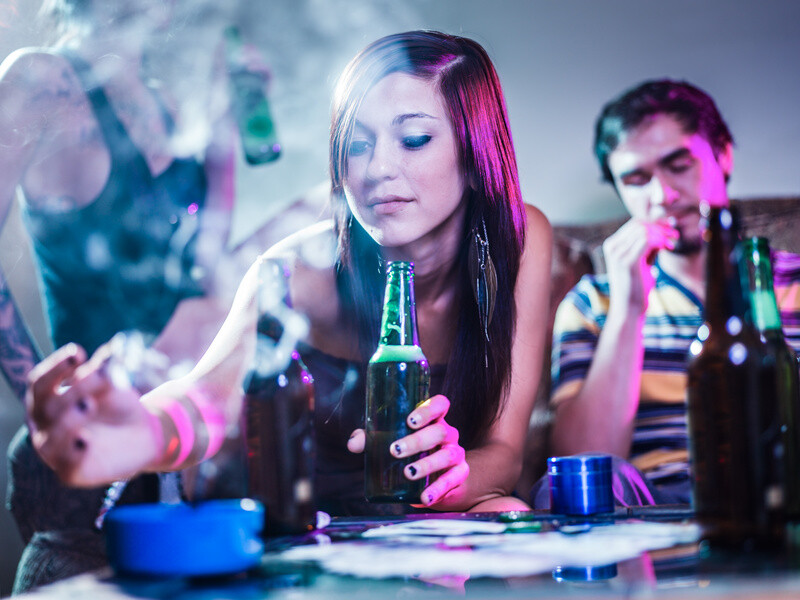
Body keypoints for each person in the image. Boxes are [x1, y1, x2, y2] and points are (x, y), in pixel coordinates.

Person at [25, 30, 552, 519]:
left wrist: (441, 480)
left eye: (413, 139)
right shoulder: (298, 271)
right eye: (357, 145)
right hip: (299, 530)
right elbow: (204, 400)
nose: (376, 169)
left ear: (475, 150)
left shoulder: (520, 241)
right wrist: (140, 434)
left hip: (430, 521)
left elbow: (503, 452)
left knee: (506, 511)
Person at [0, 0, 324, 592]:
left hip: (184, 438)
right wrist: (43, 400)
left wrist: (224, 126)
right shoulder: (41, 82)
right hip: (93, 447)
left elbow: (207, 265)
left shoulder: (166, 103)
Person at [546, 79, 800, 505]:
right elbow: (583, 469)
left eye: (679, 165)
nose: (662, 195)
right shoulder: (591, 303)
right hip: (653, 505)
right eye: (636, 179)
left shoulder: (793, 283)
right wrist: (628, 309)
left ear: (723, 154)